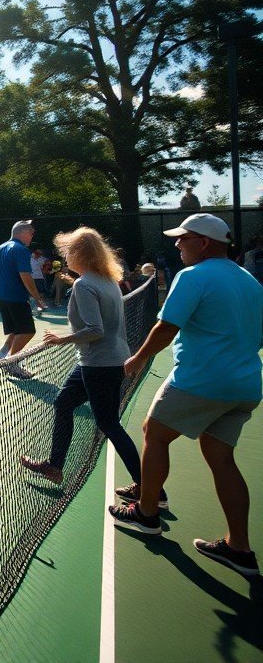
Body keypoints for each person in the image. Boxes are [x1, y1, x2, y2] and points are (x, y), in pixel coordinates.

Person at [110, 213, 262, 577]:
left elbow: (166, 327)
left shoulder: (193, 276)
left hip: (201, 381)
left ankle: (147, 514)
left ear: (204, 243)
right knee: (220, 456)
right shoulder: (250, 281)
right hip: (245, 386)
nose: (177, 244)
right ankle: (238, 548)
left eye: (183, 238)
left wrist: (135, 360)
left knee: (154, 432)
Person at [19, 227, 146, 495]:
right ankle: (54, 466)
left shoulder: (85, 284)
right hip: (107, 360)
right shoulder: (107, 281)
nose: (65, 257)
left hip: (100, 363)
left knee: (109, 423)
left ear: (79, 253)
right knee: (64, 402)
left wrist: (61, 340)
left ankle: (149, 490)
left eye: (68, 252)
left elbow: (95, 330)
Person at [0, 220, 48, 379]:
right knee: (28, 331)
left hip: (2, 297)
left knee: (16, 330)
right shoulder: (21, 250)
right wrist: (38, 298)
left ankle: (2, 354)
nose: (32, 236)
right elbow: (25, 275)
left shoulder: (0, 248)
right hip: (16, 298)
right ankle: (11, 363)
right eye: (30, 233)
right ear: (21, 233)